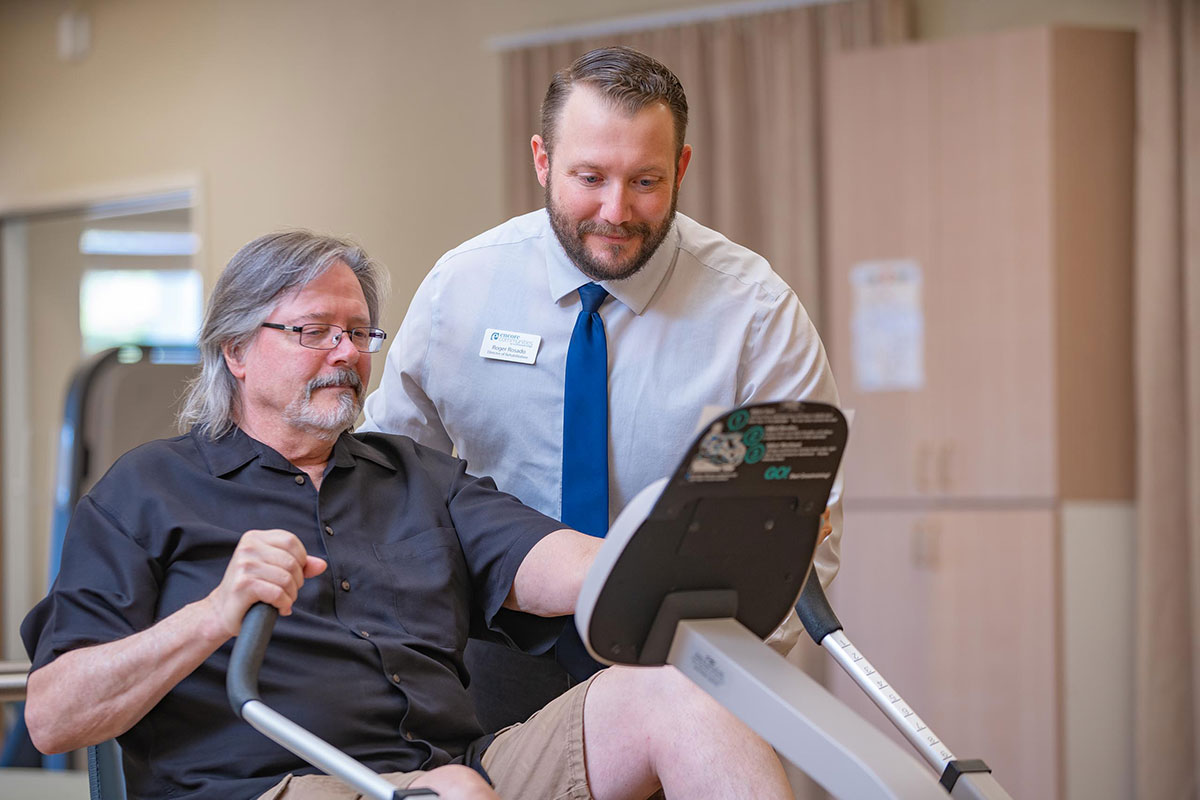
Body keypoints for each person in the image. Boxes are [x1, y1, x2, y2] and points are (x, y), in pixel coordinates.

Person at [21, 231, 793, 800]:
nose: (345, 353)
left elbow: (571, 565)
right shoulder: (147, 489)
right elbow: (55, 718)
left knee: (680, 689)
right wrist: (214, 616)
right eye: (312, 331)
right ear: (235, 350)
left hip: (460, 776)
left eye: (358, 334)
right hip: (276, 788)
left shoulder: (416, 476)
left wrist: (705, 537)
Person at [361, 45, 843, 730]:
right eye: (590, 177)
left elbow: (803, 530)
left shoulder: (754, 313)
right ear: (542, 161)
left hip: (679, 655)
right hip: (490, 650)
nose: (615, 211)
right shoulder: (460, 290)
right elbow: (387, 476)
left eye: (645, 181)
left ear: (680, 167)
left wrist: (726, 683)